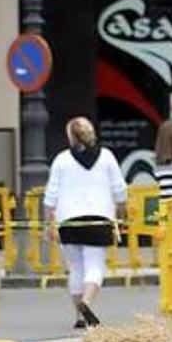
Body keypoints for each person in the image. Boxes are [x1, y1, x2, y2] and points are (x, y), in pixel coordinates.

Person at [43, 117, 127, 329]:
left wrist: (48, 223)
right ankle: (86, 303)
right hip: (99, 219)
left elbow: (50, 196)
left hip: (68, 221)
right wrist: (121, 213)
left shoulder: (61, 160)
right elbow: (120, 190)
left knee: (75, 268)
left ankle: (80, 316)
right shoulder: (107, 157)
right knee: (95, 266)